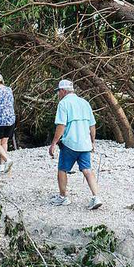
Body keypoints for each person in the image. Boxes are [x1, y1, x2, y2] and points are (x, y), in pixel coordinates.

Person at [48, 79, 102, 210]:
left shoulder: (63, 104)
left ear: (63, 91)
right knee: (87, 170)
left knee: (62, 169)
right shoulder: (84, 103)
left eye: (58, 91)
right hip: (85, 143)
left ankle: (63, 197)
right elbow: (92, 125)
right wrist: (92, 142)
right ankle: (96, 197)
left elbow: (61, 125)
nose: (58, 94)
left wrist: (54, 143)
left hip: (70, 143)